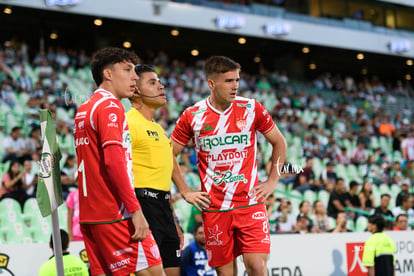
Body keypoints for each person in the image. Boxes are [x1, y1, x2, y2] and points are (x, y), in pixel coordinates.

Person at [171, 56, 287, 275]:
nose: (235, 86)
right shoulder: (192, 115)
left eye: (237, 80)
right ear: (211, 84)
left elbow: (279, 142)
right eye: (228, 81)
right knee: (225, 273)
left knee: (257, 266)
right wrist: (185, 191)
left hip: (250, 203)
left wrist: (273, 180)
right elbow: (169, 153)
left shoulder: (252, 108)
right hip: (215, 209)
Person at [73, 47, 163, 276]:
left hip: (90, 214)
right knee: (155, 272)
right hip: (115, 213)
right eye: (127, 70)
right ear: (108, 74)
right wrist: (135, 210)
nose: (134, 77)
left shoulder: (84, 109)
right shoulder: (111, 106)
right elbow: (114, 162)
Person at [127, 64, 210, 276]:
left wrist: (180, 200)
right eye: (152, 82)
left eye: (160, 81)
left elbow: (169, 161)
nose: (161, 86)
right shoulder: (127, 122)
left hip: (164, 206)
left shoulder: (158, 128)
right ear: (135, 90)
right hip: (141, 205)